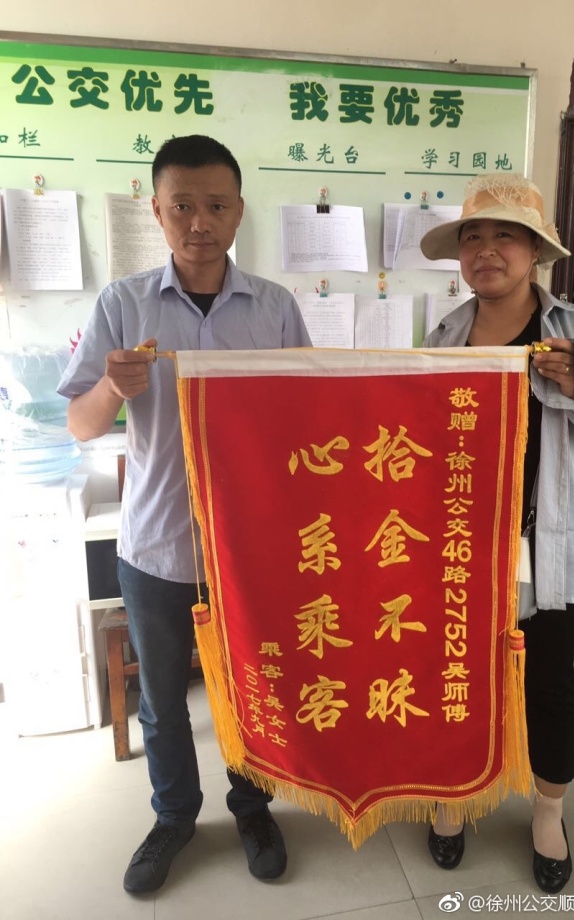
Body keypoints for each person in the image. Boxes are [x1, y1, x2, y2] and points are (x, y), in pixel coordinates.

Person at [58, 135, 312, 894]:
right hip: (157, 544)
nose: (199, 222)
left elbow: (306, 415)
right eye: (182, 207)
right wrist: (112, 388)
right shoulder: (123, 304)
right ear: (157, 212)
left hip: (249, 545)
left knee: (250, 686)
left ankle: (252, 807)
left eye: (216, 205)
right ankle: (173, 817)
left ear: (238, 212)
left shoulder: (275, 307)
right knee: (164, 702)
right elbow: (80, 425)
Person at [419, 173, 574, 892]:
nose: (486, 250)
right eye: (473, 236)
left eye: (505, 236)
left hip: (544, 543)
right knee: (457, 674)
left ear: (534, 253)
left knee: (549, 682)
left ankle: (547, 813)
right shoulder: (445, 335)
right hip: (460, 545)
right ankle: (454, 795)